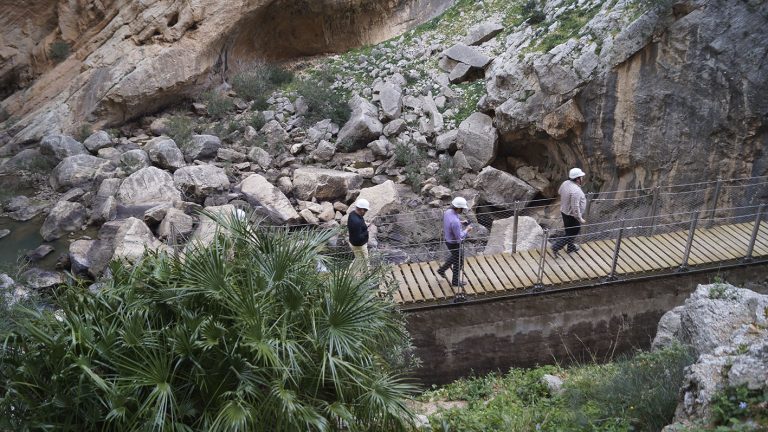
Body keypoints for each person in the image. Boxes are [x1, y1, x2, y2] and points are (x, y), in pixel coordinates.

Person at [437, 197, 473, 300]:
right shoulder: (455, 222)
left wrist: (461, 222)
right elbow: (460, 238)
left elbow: (451, 224)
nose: (463, 210)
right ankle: (455, 281)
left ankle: (442, 270)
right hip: (454, 243)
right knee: (459, 260)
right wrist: (467, 229)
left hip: (448, 240)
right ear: (458, 208)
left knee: (455, 257)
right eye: (462, 208)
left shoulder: (448, 212)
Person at [552, 167, 587, 256]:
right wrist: (580, 218)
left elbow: (560, 192)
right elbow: (575, 207)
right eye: (581, 177)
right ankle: (556, 247)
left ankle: (570, 248)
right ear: (578, 179)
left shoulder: (565, 183)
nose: (582, 178)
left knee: (569, 231)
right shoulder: (576, 191)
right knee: (573, 232)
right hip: (572, 215)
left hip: (564, 211)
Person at [348, 198, 370, 274]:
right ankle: (368, 276)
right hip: (359, 245)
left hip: (352, 242)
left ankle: (349, 273)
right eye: (366, 210)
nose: (366, 212)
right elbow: (359, 237)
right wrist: (367, 231)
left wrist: (364, 225)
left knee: (358, 259)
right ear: (361, 210)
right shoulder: (357, 222)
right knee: (365, 260)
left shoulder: (352, 214)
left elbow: (357, 228)